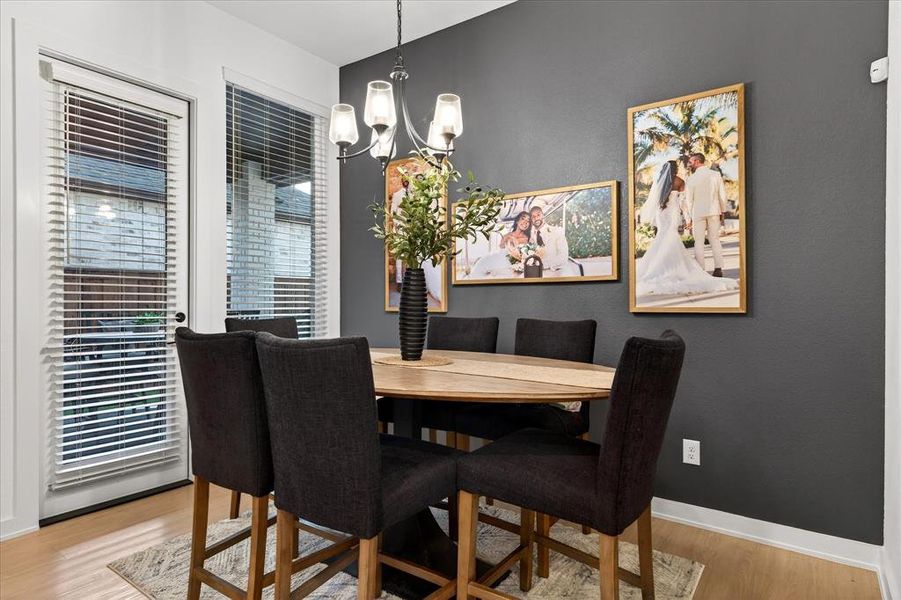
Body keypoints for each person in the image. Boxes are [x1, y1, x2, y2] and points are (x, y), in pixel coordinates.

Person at [635, 160, 737, 297]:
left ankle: (657, 267)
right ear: (675, 168)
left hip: (661, 214)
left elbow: (656, 201)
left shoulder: (659, 181)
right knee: (672, 237)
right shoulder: (680, 181)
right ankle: (700, 268)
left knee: (662, 238)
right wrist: (688, 218)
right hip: (672, 212)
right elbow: (684, 201)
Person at [684, 152, 728, 277]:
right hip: (714, 211)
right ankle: (718, 269)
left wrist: (689, 218)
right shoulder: (715, 175)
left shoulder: (691, 179)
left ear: (697, 161)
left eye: (691, 162)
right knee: (715, 240)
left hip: (697, 213)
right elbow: (722, 196)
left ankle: (701, 271)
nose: (690, 164)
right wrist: (723, 211)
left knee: (699, 242)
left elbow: (689, 201)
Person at [468, 211, 532, 278]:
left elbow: (524, 254)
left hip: (512, 263)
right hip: (500, 257)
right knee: (481, 264)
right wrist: (507, 239)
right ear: (517, 221)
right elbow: (501, 247)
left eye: (528, 221)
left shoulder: (527, 238)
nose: (525, 222)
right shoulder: (507, 235)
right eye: (523, 219)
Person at [528, 202, 570, 272]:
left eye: (538, 215)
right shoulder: (532, 236)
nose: (536, 218)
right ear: (531, 220)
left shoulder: (557, 231)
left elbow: (563, 257)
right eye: (533, 217)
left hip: (556, 273)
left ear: (543, 215)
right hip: (537, 274)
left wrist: (542, 265)